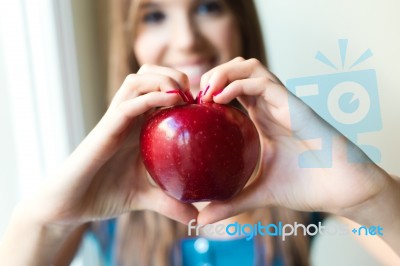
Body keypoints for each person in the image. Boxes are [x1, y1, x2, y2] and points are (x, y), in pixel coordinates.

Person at [0, 0, 399, 265]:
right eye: (154, 15)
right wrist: (45, 221)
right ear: (131, 42)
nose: (187, 39)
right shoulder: (104, 186)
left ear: (240, 22)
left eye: (208, 6)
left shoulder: (297, 170)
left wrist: (371, 196)